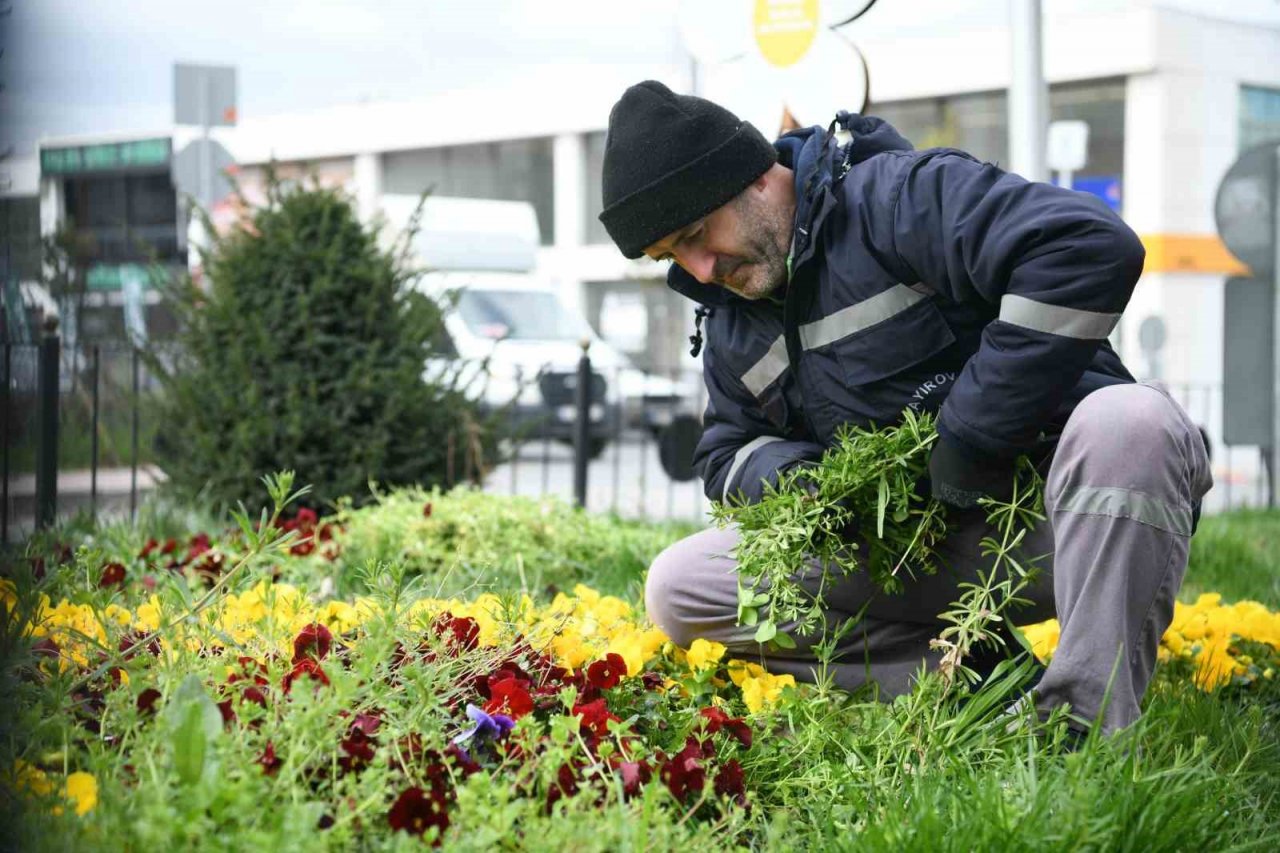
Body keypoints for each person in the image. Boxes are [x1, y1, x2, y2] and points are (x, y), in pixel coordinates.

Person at [597, 80, 1212, 736]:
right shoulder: (731, 320)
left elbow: (1086, 247)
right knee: (681, 586)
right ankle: (981, 678)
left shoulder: (897, 198)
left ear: (751, 176)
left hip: (1056, 525)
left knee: (1133, 423)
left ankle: (1081, 726)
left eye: (697, 234)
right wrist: (813, 484)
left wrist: (975, 433)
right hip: (907, 553)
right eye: (670, 256)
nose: (698, 269)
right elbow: (727, 452)